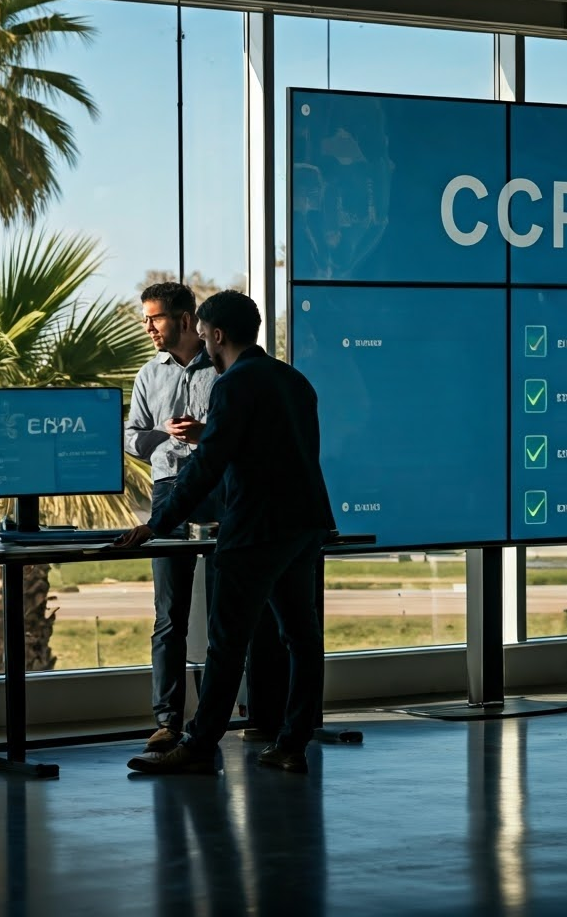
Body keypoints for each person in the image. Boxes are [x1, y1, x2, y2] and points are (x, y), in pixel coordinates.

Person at [117, 290, 335, 776]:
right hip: (305, 524)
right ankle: (292, 743)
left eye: (202, 334)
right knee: (302, 638)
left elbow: (208, 466)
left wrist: (157, 524)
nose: (200, 343)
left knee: (226, 641)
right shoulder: (294, 380)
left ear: (215, 335)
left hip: (256, 527)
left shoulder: (233, 385)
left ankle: (197, 745)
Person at [125, 281, 221, 754]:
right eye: (145, 318)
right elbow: (131, 437)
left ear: (185, 320)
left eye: (155, 318)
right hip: (167, 494)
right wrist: (161, 437)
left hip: (219, 493)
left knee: (225, 612)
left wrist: (208, 437)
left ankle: (217, 719)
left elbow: (238, 431)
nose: (148, 328)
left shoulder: (224, 366)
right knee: (169, 616)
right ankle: (167, 721)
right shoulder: (149, 374)